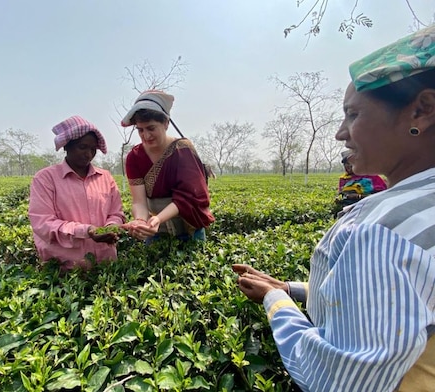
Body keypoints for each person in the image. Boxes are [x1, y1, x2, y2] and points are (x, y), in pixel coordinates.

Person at [234, 25, 435, 392]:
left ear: (421, 111)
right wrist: (293, 288)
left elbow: (339, 377)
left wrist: (275, 301)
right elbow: (404, 306)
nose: (340, 133)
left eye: (353, 115)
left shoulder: (382, 232)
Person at [28, 115, 126, 271]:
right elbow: (43, 224)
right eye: (82, 147)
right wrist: (86, 231)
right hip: (65, 271)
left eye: (93, 149)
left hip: (106, 267)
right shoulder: (46, 179)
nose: (88, 154)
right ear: (67, 146)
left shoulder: (106, 178)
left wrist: (110, 227)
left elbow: (116, 213)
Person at [120, 90, 215, 242]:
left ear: (165, 123)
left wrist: (158, 218)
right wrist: (140, 221)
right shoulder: (134, 157)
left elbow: (187, 197)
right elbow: (139, 202)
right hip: (156, 231)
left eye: (151, 128)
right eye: (140, 130)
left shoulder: (183, 150)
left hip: (188, 227)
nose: (146, 135)